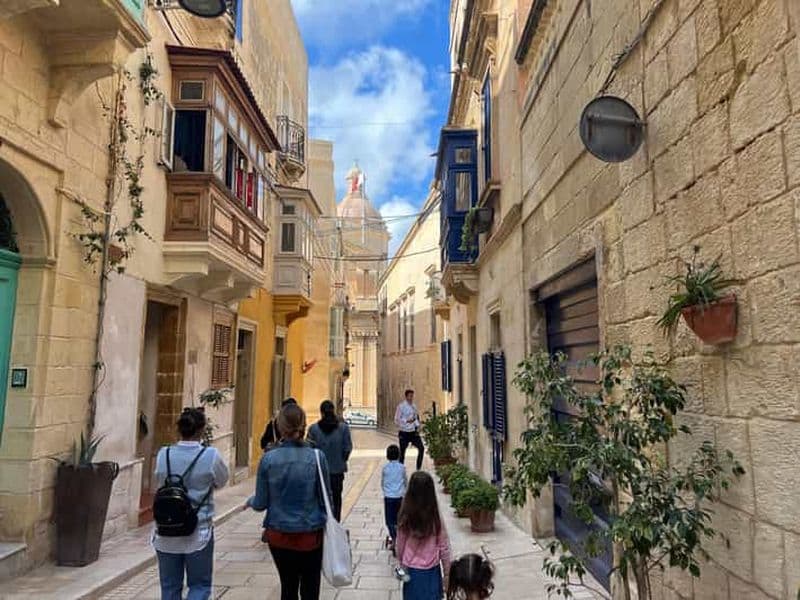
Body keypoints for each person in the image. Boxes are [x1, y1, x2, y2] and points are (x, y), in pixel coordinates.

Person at [249, 403, 332, 600]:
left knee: (288, 586)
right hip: (309, 535)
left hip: (278, 535)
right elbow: (326, 500)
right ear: (304, 425)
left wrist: (250, 501)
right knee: (310, 589)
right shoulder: (317, 457)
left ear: (280, 427)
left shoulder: (268, 459)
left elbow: (260, 503)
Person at [153, 407, 229, 600]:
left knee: (169, 587)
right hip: (198, 530)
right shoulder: (210, 456)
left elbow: (160, 481)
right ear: (202, 430)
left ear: (179, 429)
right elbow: (222, 480)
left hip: (166, 531)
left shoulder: (164, 454)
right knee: (200, 585)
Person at [396, 471, 451, 599]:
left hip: (411, 570)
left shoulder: (405, 516)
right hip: (432, 571)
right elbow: (444, 547)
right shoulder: (435, 518)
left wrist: (401, 563)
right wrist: (447, 573)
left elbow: (400, 544)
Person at [307, 399, 353, 521]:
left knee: (319, 499)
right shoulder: (343, 429)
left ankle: (321, 523)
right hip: (337, 471)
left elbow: (309, 452)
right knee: (336, 499)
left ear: (321, 413)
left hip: (319, 473)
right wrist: (341, 460)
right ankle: (335, 523)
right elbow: (347, 448)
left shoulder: (313, 430)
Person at [382, 444, 406, 552]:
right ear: (399, 455)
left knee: (389, 520)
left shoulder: (385, 468)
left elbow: (382, 483)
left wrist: (386, 491)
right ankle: (400, 538)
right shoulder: (402, 468)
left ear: (387, 456)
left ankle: (394, 536)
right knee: (400, 519)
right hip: (399, 497)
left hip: (389, 497)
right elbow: (406, 481)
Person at [394, 389, 424, 470]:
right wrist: (406, 421)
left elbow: (415, 418)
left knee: (421, 448)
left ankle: (418, 468)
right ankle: (400, 469)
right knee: (402, 452)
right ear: (406, 396)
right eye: (410, 396)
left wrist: (418, 426)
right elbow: (396, 419)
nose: (411, 398)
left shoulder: (414, 406)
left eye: (412, 396)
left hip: (413, 432)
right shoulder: (401, 407)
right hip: (404, 432)